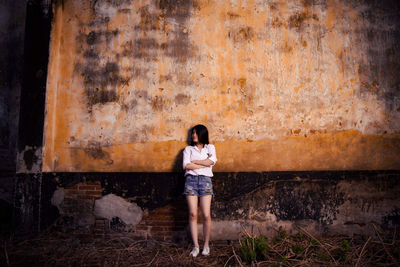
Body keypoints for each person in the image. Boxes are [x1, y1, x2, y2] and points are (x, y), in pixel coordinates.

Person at [182, 124, 217, 257]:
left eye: (196, 133)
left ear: (203, 134)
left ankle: (206, 245)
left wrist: (196, 163)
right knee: (193, 214)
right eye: (193, 133)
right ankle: (196, 247)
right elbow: (186, 165)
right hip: (191, 181)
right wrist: (204, 162)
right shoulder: (188, 149)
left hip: (206, 182)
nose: (193, 135)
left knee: (206, 215)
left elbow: (212, 161)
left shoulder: (210, 147)